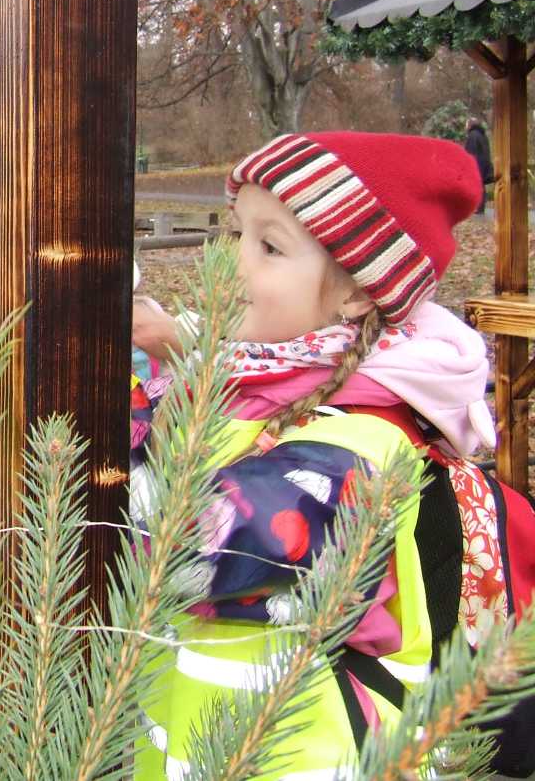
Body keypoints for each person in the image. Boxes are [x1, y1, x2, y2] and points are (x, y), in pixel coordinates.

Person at [129, 131, 535, 779]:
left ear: (356, 292)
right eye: (235, 234)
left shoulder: (362, 443)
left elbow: (200, 548)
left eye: (269, 247)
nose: (229, 263)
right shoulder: (247, 388)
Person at [464, 118, 495, 214]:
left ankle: (477, 207)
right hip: (484, 163)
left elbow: (471, 152)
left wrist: (469, 165)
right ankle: (480, 207)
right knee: (480, 185)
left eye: (466, 125)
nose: (465, 127)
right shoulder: (483, 135)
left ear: (470, 125)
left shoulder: (472, 135)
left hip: (477, 164)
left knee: (476, 185)